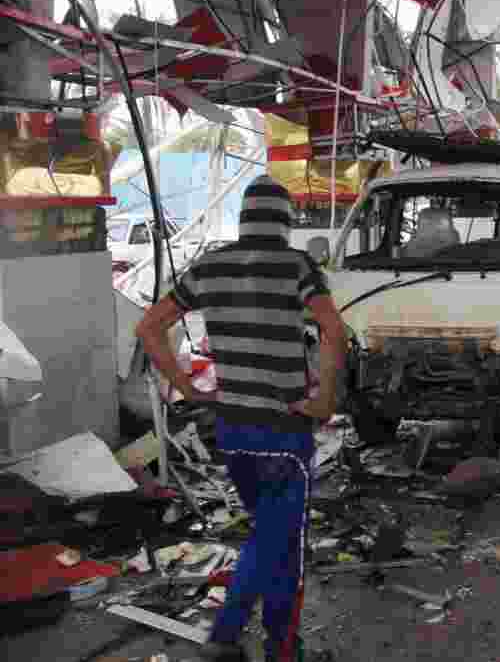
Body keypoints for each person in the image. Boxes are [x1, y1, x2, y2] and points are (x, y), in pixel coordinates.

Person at [135, 176, 347, 662]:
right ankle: (230, 636)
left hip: (232, 433)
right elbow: (334, 332)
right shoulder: (297, 266)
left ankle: (280, 646)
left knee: (275, 537)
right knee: (276, 543)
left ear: (244, 217)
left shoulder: (208, 265)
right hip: (284, 431)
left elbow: (149, 327)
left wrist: (185, 386)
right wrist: (324, 401)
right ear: (285, 220)